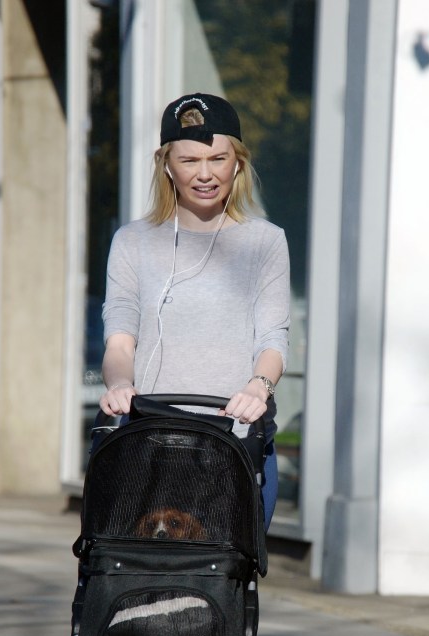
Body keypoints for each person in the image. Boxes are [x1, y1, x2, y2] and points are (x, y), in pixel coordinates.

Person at [99, 92, 290, 530]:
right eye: (189, 161)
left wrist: (259, 387)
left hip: (237, 446)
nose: (205, 175)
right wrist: (119, 384)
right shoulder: (133, 242)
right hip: (150, 446)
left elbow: (272, 338)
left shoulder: (265, 241)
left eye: (218, 159)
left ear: (237, 163)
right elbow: (121, 336)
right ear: (166, 164)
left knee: (226, 584)